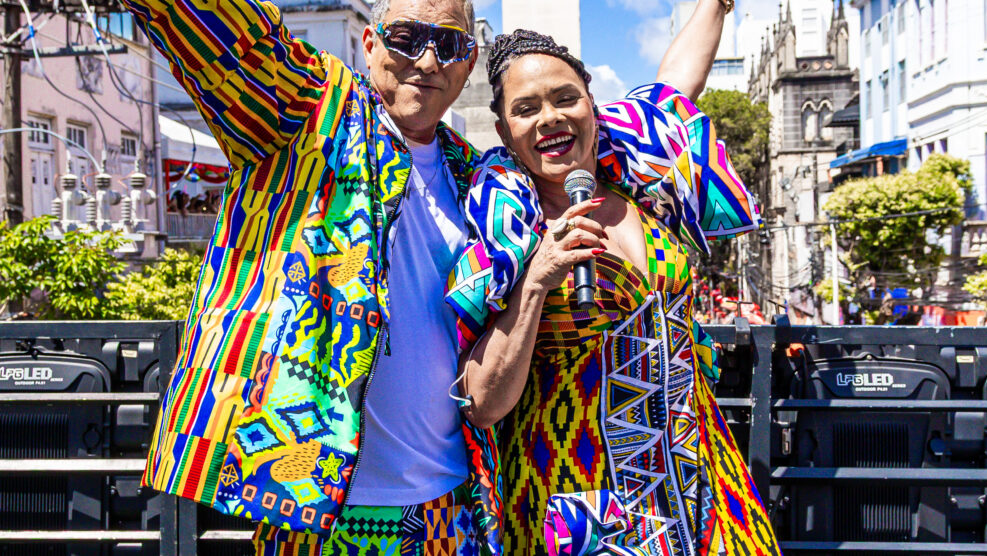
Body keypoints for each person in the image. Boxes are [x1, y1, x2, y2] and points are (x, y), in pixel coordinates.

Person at [120, 0, 508, 553]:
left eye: (448, 44)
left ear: (468, 64)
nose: (426, 60)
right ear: (370, 44)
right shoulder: (311, 113)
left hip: (452, 506)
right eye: (406, 37)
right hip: (314, 508)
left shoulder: (479, 178)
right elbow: (234, 40)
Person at [449, 0, 781, 553]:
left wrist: (716, 4)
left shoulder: (637, 185)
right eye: (526, 109)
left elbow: (676, 86)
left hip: (698, 479)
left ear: (593, 106)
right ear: (506, 133)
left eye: (565, 98)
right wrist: (536, 282)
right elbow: (481, 403)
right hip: (579, 498)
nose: (550, 118)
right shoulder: (505, 232)